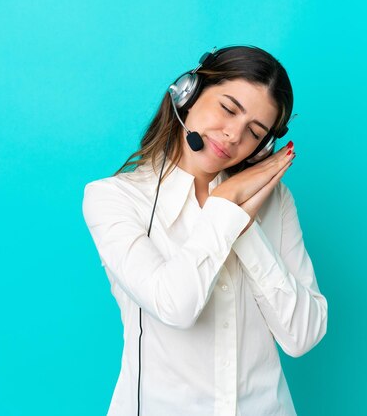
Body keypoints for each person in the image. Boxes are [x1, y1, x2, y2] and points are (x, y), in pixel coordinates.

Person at [82, 45, 328, 416]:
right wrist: (224, 207)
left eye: (254, 131)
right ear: (189, 94)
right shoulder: (112, 199)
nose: (232, 136)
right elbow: (176, 306)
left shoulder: (275, 200)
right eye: (228, 109)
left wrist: (244, 225)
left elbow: (303, 336)